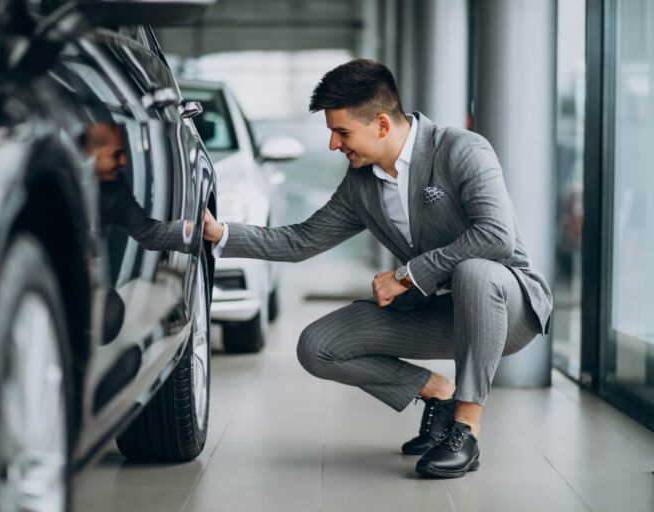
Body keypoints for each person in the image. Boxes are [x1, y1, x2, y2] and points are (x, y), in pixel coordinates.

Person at [201, 59, 552, 478]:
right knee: (318, 345)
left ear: (382, 125)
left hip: (505, 307)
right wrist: (220, 232)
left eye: (342, 132)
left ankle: (466, 428)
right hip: (437, 313)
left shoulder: (462, 149)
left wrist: (407, 275)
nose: (333, 144)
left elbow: (496, 237)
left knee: (475, 271)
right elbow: (301, 241)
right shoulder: (361, 184)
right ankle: (439, 394)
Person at [80, 122, 193, 252]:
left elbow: (149, 234)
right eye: (116, 155)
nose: (124, 162)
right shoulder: (56, 184)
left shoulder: (116, 190)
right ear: (88, 154)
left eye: (124, 154)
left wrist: (193, 230)